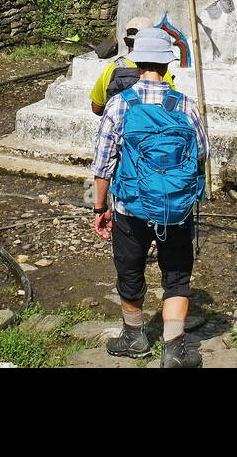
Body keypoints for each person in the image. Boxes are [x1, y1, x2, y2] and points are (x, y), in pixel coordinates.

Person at [90, 27, 208, 369]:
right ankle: (173, 351)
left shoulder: (119, 105)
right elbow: (202, 152)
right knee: (176, 276)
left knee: (130, 271)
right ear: (167, 63)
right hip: (177, 210)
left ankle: (134, 337)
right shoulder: (185, 104)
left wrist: (101, 208)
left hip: (130, 207)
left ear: (137, 61)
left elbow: (102, 164)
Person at [90, 15, 163, 115]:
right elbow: (172, 106)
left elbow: (96, 108)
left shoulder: (112, 68)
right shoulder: (160, 70)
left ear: (127, 42)